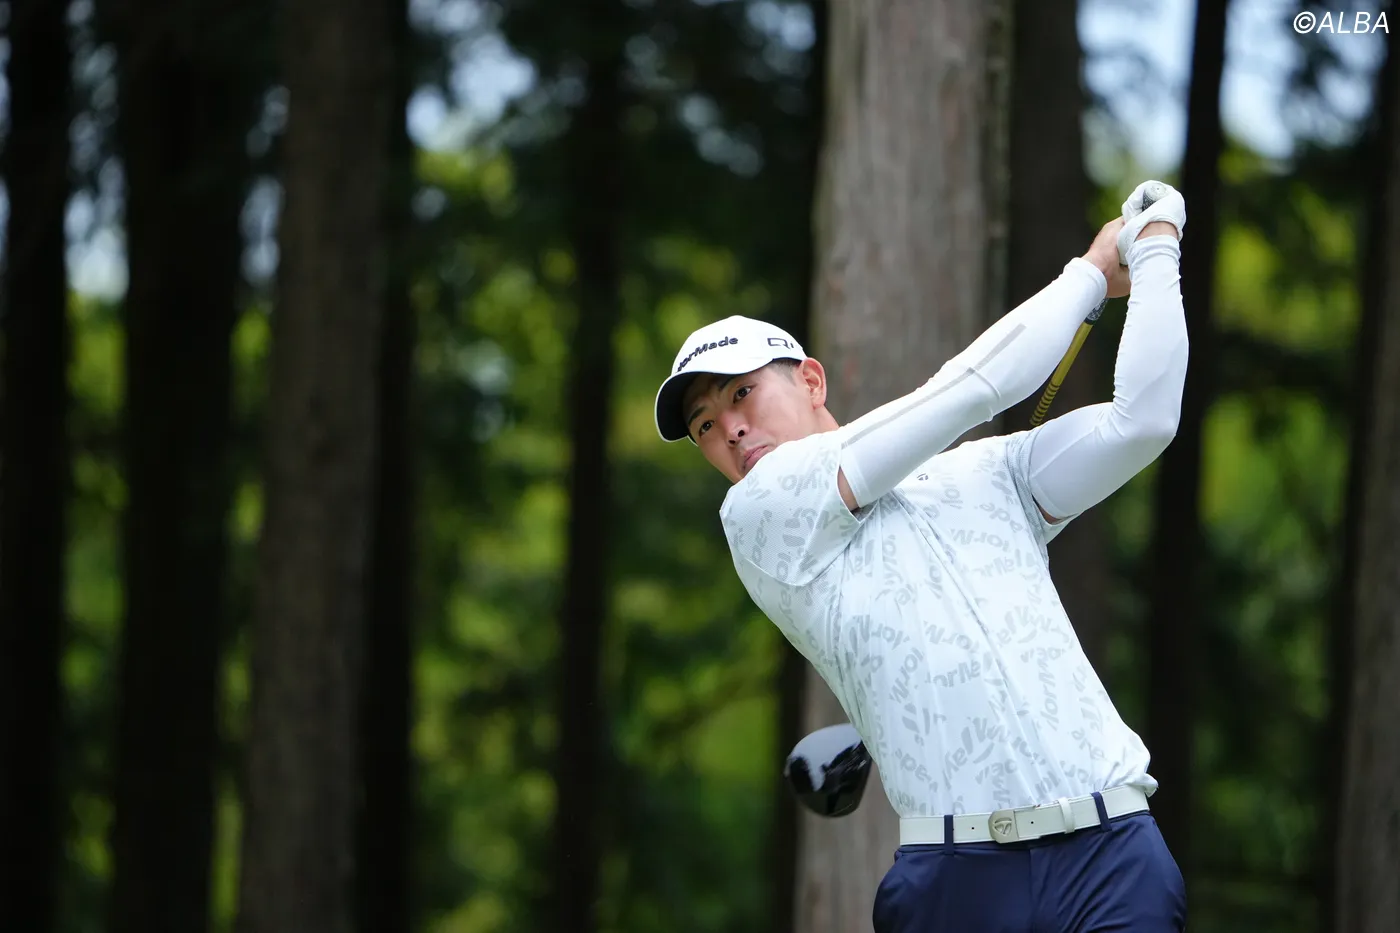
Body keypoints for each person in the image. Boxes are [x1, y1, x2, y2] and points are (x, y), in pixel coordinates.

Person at [652, 180, 1191, 932]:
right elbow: (968, 391)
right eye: (705, 425)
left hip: (1113, 856)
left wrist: (1156, 245)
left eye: (740, 394)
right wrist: (1093, 275)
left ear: (811, 379)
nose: (730, 430)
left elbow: (1143, 423)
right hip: (960, 882)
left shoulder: (986, 472)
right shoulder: (759, 513)